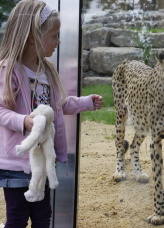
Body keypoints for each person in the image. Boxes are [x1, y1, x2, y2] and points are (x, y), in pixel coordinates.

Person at [0, 1, 103, 227]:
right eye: (54, 36)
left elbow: (58, 105)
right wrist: (23, 121)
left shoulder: (47, 70)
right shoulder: (10, 71)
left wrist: (86, 103)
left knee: (43, 217)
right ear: (32, 37)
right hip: (17, 164)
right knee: (17, 218)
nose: (59, 41)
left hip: (43, 160)